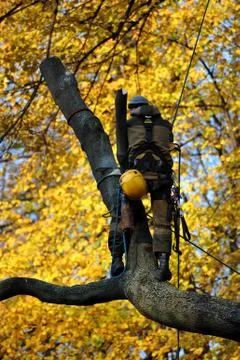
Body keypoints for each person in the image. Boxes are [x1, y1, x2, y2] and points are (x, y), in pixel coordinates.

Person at [109, 95, 174, 281]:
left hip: (135, 180)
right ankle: (163, 264)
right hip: (161, 178)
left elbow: (122, 155)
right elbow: (169, 142)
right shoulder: (166, 124)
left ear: (133, 109)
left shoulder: (127, 125)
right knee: (162, 220)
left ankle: (116, 259)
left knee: (120, 212)